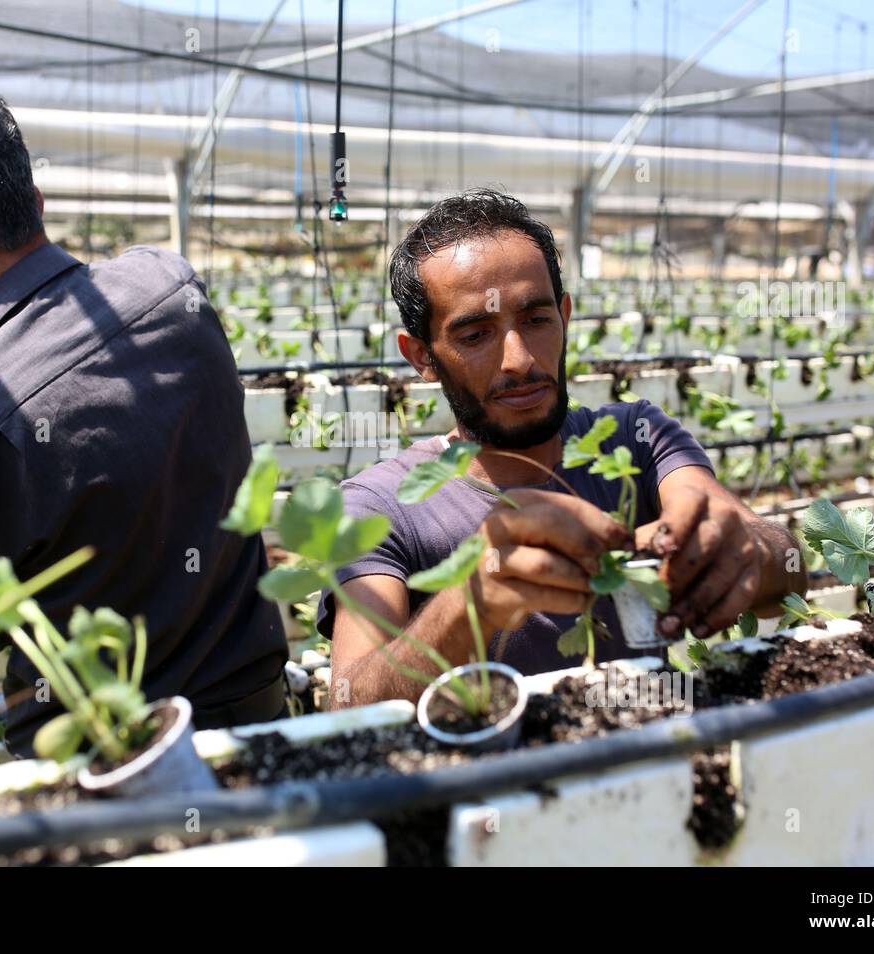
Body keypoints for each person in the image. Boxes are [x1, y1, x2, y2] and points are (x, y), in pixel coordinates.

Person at [0, 82, 287, 755]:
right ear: (34, 202)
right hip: (257, 722)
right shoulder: (171, 287)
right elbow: (57, 338)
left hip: (86, 763)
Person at [318, 188, 807, 707]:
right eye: (476, 334)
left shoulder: (636, 438)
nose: (519, 360)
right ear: (421, 356)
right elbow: (349, 704)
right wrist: (465, 607)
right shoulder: (377, 506)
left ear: (565, 316)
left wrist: (748, 551)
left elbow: (785, 562)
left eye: (536, 320)